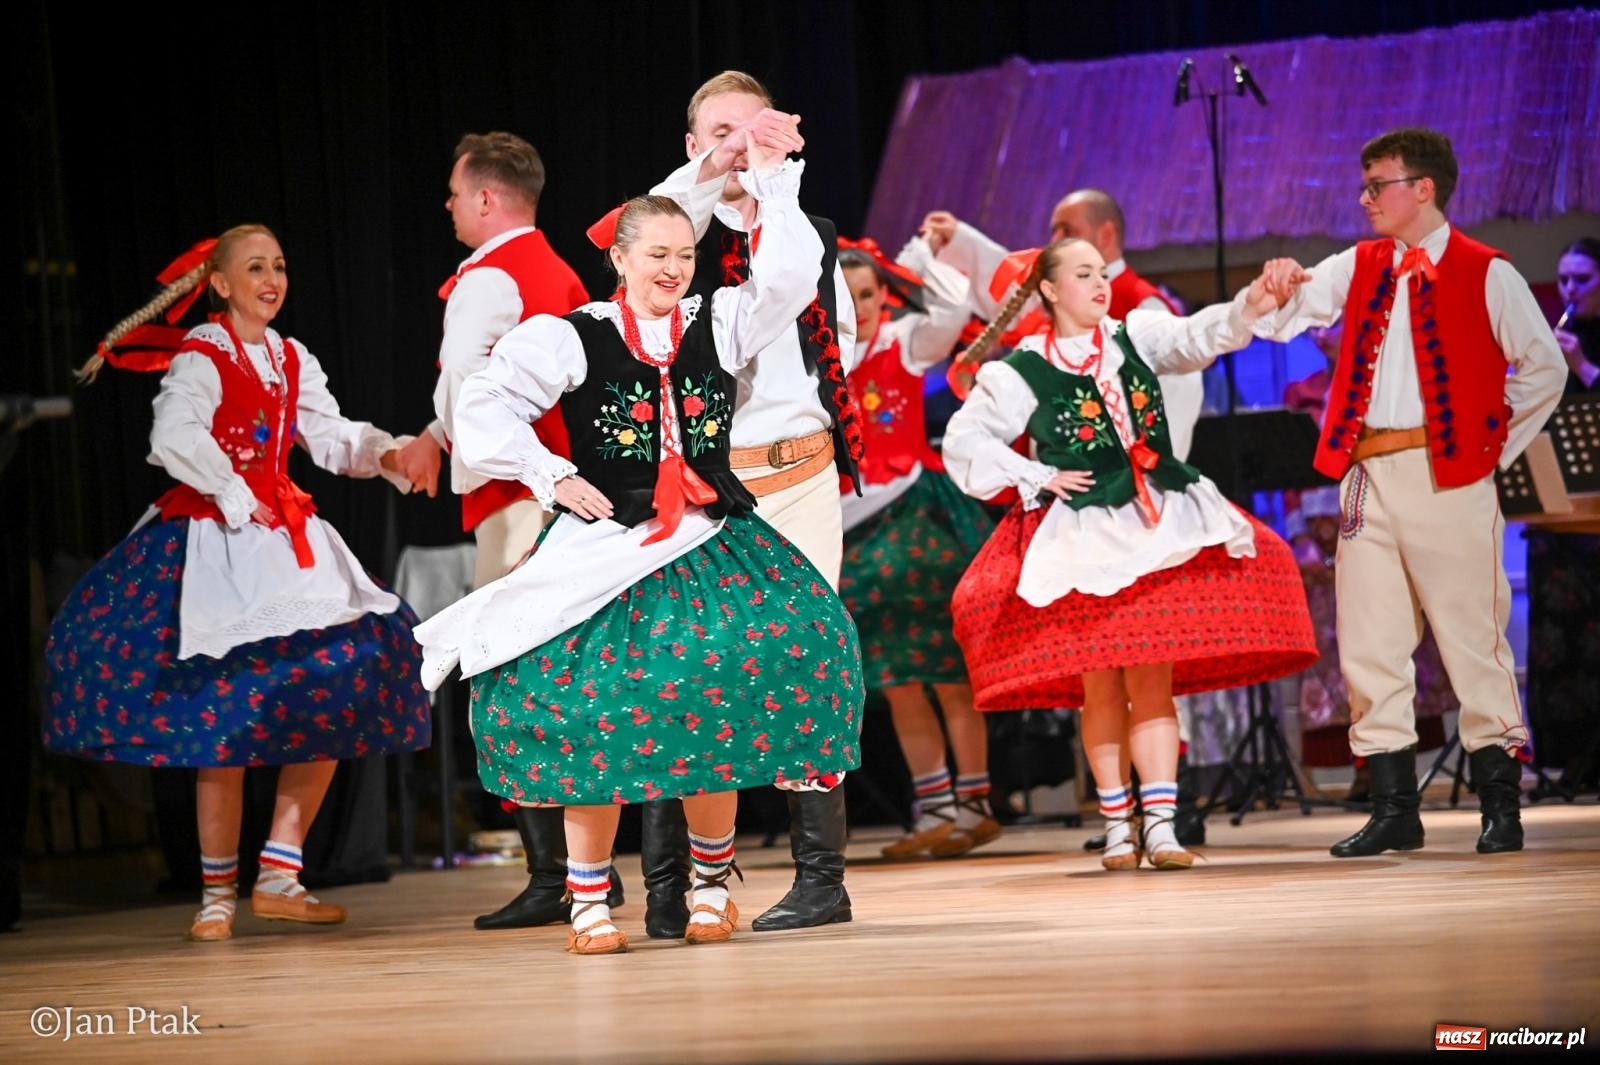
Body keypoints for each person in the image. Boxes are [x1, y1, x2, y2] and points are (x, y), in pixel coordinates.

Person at [412, 180, 864, 955]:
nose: (674, 268)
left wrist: (773, 183)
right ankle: (589, 899)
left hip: (713, 539)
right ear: (619, 258)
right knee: (596, 709)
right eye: (657, 254)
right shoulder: (573, 336)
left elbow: (790, 277)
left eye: (685, 255)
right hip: (611, 542)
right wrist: (551, 475)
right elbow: (483, 403)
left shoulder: (717, 321)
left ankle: (711, 888)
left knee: (722, 694)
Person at [43, 225, 432, 941]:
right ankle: (216, 892)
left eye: (279, 266)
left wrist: (387, 452)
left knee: (336, 683)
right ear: (219, 283)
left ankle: (280, 870)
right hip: (218, 539)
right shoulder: (204, 351)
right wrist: (230, 490)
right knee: (219, 720)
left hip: (284, 537)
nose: (271, 279)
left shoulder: (289, 356)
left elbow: (329, 433)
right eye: (255, 267)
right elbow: (173, 435)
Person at [943, 238, 1317, 871]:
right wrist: (1033, 474)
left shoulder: (1135, 337)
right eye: (1082, 274)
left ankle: (1163, 827)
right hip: (1085, 532)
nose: (1099, 283)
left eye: (1102, 272)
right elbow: (964, 438)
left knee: (1152, 679)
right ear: (1050, 291)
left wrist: (1249, 305)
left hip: (1157, 517)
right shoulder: (1021, 369)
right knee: (1101, 686)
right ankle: (1118, 825)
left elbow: (1195, 337)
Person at [1252, 128, 1567, 857]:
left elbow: (1542, 368)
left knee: (1471, 637)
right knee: (1370, 641)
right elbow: (1289, 312)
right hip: (1368, 472)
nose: (1365, 200)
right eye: (1363, 187)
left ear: (1422, 188)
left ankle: (1500, 803)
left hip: (1447, 473)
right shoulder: (1359, 265)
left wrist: (1487, 449)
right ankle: (1395, 806)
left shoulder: (1487, 271)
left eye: (1378, 186)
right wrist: (1275, 287)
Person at [393, 132, 621, 933]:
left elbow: (468, 382)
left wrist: (442, 440)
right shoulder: (553, 270)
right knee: (565, 671)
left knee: (513, 675)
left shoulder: (486, 277)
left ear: (487, 199)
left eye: (457, 193)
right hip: (562, 489)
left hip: (517, 492)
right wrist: (433, 431)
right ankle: (582, 868)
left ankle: (558, 873)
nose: (449, 206)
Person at [651, 70, 861, 932]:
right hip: (705, 483)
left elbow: (832, 339)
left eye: (753, 127)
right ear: (694, 146)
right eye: (720, 132)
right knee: (689, 666)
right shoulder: (672, 233)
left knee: (805, 657)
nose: (739, 145)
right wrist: (720, 170)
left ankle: (822, 878)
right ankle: (676, 880)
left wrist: (776, 180)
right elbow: (648, 227)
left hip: (800, 475)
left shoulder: (805, 232)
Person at [835, 236, 1000, 859]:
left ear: (885, 294)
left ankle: (975, 802)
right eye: (849, 297)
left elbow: (953, 313)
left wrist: (925, 257)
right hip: (855, 526)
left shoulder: (904, 341)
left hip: (914, 513)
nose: (863, 306)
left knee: (946, 670)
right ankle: (935, 809)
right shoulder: (817, 360)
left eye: (871, 293)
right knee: (898, 677)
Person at [1283, 318, 1454, 795]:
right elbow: (1288, 478)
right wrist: (1299, 537)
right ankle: (1361, 763)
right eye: (1315, 326)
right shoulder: (1302, 392)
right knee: (1338, 651)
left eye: (1332, 323)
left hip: (1381, 513)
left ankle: (1390, 764)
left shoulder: (1385, 384)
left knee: (1391, 637)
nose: (1322, 333)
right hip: (1323, 529)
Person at [921, 188, 1205, 460]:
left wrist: (1150, 476)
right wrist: (958, 240)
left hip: (1119, 485)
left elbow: (1177, 394)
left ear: (1106, 235)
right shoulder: (1057, 297)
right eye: (1054, 231)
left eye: (1068, 231)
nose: (1055, 241)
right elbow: (1011, 294)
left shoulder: (1141, 305)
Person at [1524, 237, 1600, 795]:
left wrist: (1582, 365)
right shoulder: (1554, 338)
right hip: (1555, 511)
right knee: (1556, 643)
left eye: (1582, 279)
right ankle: (1567, 761)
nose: (1569, 290)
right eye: (1564, 280)